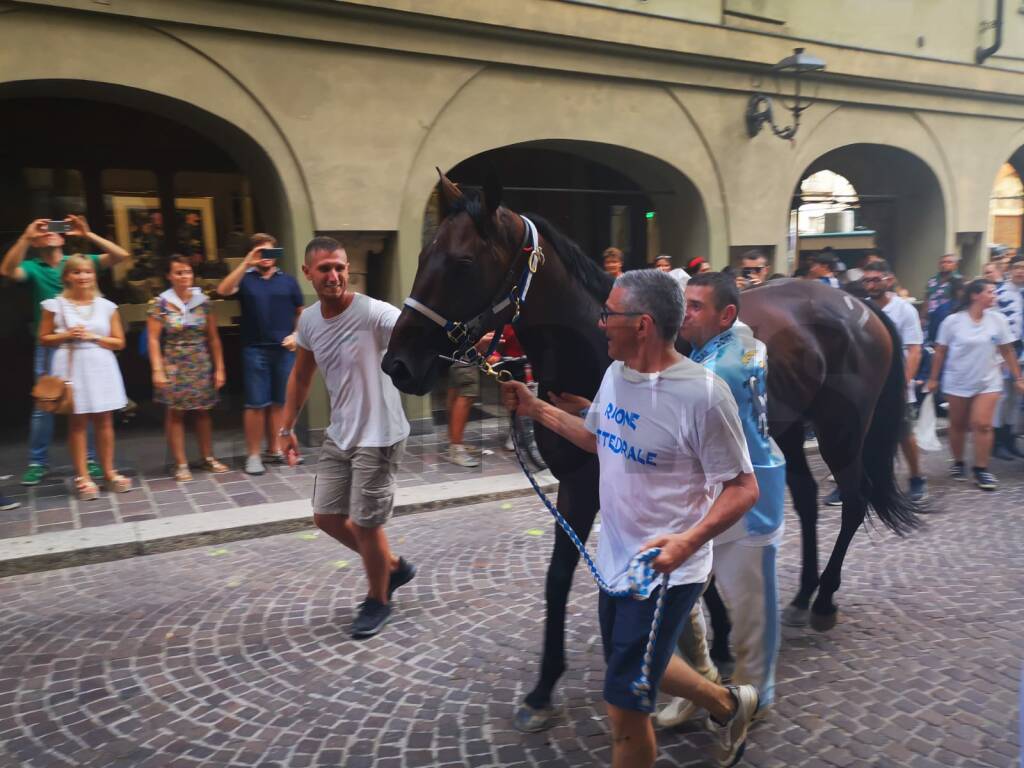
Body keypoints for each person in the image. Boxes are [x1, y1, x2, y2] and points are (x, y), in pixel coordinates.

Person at [501, 269, 760, 768]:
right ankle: (729, 703)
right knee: (648, 663)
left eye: (609, 315)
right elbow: (600, 439)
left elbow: (744, 487)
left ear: (642, 325)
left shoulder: (703, 396)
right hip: (616, 560)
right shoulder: (617, 374)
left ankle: (719, 705)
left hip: (667, 573)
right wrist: (535, 409)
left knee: (622, 705)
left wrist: (688, 541)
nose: (600, 324)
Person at [655, 271, 785, 729]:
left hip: (743, 497)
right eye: (683, 303)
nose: (684, 314)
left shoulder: (710, 372)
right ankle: (704, 684)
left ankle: (753, 696)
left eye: (695, 307)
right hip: (737, 484)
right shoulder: (745, 343)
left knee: (750, 609)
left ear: (725, 314)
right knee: (685, 591)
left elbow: (663, 428)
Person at [280, 236, 414, 639]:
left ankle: (379, 599)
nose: (335, 275)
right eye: (325, 269)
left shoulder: (373, 312)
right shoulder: (308, 322)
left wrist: (466, 341)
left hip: (380, 433)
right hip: (341, 433)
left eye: (340, 267)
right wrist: (286, 427)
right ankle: (391, 565)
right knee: (325, 516)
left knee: (365, 523)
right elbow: (302, 376)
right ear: (308, 273)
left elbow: (411, 329)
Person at [0, 216, 129, 486]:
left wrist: (88, 233)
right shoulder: (33, 267)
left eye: (55, 230)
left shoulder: (80, 261)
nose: (49, 233)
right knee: (46, 402)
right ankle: (38, 461)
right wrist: (26, 236)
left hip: (91, 349)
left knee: (93, 405)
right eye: (44, 231)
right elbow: (7, 270)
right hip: (55, 345)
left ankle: (92, 461)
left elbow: (121, 255)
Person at [37, 256, 131, 500]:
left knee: (105, 420)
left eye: (87, 271)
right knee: (78, 422)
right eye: (77, 272)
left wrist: (93, 337)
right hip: (72, 364)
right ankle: (83, 476)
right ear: (67, 276)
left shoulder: (107, 306)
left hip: (100, 363)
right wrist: (67, 334)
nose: (83, 276)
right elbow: (44, 338)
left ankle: (109, 471)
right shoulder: (54, 305)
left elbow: (119, 341)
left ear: (94, 275)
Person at [833, 260, 927, 502]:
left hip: (895, 384)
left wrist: (904, 383)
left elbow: (915, 350)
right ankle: (850, 483)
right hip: (864, 385)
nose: (871, 284)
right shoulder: (857, 308)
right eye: (867, 280)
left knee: (904, 434)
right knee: (857, 435)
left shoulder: (904, 310)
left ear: (889, 279)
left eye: (876, 279)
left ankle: (917, 478)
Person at [217, 233, 304, 476]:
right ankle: (253, 455)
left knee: (280, 402)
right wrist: (246, 263)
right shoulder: (246, 280)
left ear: (277, 254)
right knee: (255, 404)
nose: (265, 256)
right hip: (254, 349)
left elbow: (300, 311)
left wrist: (296, 334)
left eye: (269, 251)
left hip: (283, 349)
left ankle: (276, 450)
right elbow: (223, 290)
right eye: (260, 251)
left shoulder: (288, 281)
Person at [926, 279, 1024, 491]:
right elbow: (940, 350)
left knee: (983, 424)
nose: (994, 296)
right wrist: (933, 378)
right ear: (975, 295)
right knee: (958, 425)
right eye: (990, 292)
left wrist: (1018, 378)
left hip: (988, 381)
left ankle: (982, 469)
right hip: (958, 380)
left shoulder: (998, 320)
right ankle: (959, 462)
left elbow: (1007, 350)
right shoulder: (953, 321)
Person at [148, 255, 229, 481]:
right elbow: (153, 339)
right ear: (169, 276)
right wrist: (157, 369)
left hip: (200, 359)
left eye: (187, 272)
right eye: (178, 272)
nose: (184, 276)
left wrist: (220, 368)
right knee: (175, 412)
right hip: (173, 360)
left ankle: (207, 457)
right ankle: (180, 463)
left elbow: (213, 338)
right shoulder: (160, 303)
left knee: (203, 411)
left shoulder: (203, 302)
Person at [993, 254, 1024, 459]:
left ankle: (1010, 439)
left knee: (1015, 398)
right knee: (1002, 397)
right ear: (1010, 269)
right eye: (1018, 267)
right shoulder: (1000, 293)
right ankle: (997, 443)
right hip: (1006, 352)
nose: (1021, 271)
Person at [925, 253, 964, 342]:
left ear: (955, 265)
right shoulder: (932, 280)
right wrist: (922, 318)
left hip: (948, 319)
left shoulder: (960, 280)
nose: (945, 264)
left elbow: (961, 300)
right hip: (931, 320)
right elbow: (927, 298)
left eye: (949, 262)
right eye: (942, 262)